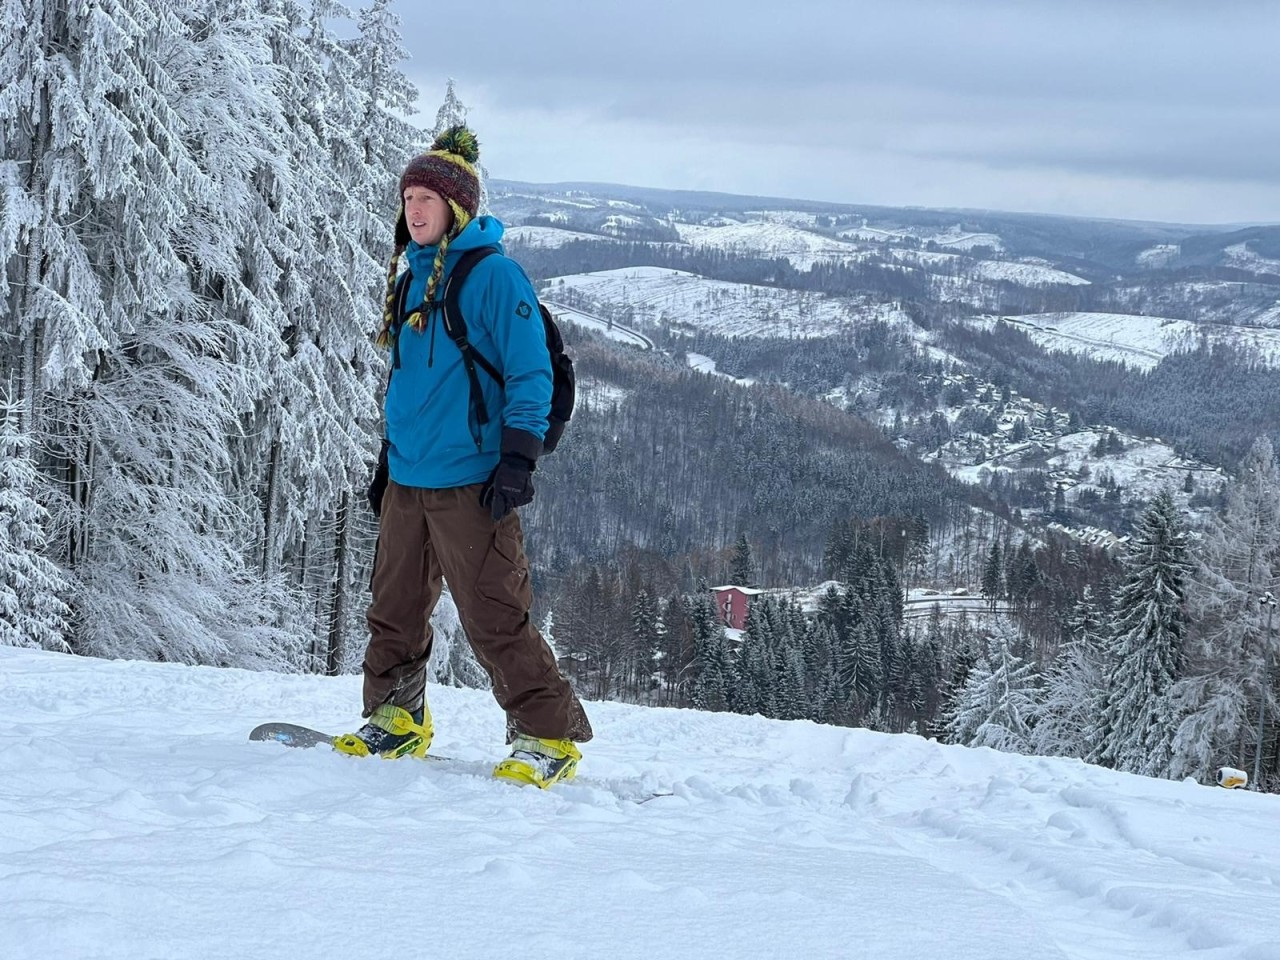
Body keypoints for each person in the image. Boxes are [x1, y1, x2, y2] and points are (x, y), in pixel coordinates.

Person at [334, 125, 592, 788]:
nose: (414, 209)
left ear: (458, 207)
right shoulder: (410, 279)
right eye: (408, 197)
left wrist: (518, 459)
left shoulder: (493, 275)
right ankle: (396, 717)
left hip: (473, 481)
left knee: (493, 616)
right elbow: (410, 383)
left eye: (427, 198)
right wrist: (389, 463)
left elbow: (530, 371)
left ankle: (547, 734)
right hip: (409, 479)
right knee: (392, 609)